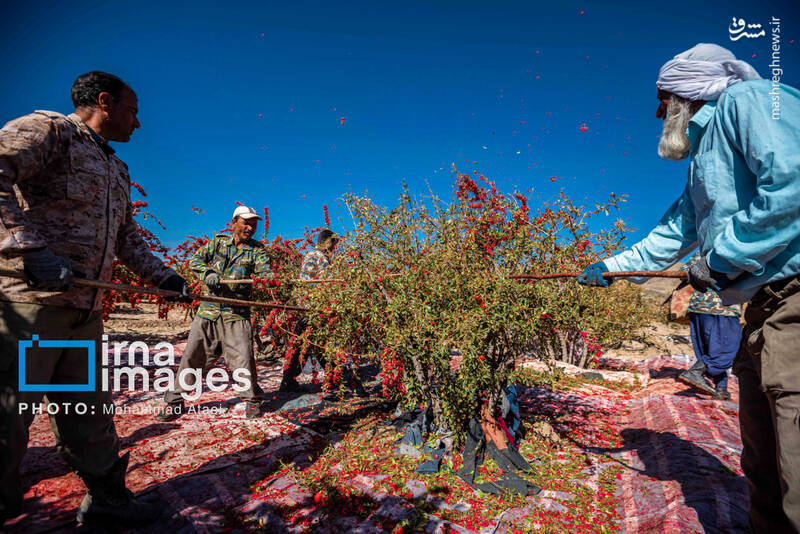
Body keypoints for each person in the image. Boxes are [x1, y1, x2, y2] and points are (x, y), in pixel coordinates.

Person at [577, 44, 800, 532]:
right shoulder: (702, 163)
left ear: (688, 92)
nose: (658, 110)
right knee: (763, 463)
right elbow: (669, 238)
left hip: (795, 301)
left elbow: (793, 185)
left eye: (663, 97)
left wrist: (719, 260)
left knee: (796, 466)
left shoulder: (752, 100)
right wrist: (608, 268)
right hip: (761, 311)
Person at [0, 71, 189, 527]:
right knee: (8, 416)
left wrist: (163, 276)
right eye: (133, 110)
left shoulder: (115, 168)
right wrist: (28, 249)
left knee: (89, 413)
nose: (138, 123)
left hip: (83, 313)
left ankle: (107, 502)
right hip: (32, 307)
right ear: (104, 101)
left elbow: (126, 237)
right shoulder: (50, 131)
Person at [158, 206, 269, 421]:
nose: (250, 227)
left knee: (244, 360)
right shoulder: (218, 242)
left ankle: (252, 400)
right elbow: (195, 261)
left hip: (236, 314)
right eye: (246, 223)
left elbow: (265, 272)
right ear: (234, 222)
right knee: (192, 358)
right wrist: (208, 272)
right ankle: (175, 402)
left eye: (254, 224)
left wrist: (268, 279)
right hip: (208, 313)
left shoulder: (257, 250)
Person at [278, 228, 337, 392]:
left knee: (303, 343)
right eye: (334, 242)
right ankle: (332, 378)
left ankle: (288, 379)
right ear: (327, 242)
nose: (335, 246)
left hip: (307, 306)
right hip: (315, 307)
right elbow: (328, 281)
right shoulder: (320, 257)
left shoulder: (310, 255)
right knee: (321, 343)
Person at [677, 254, 742, 400]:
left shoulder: (702, 253)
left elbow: (684, 271)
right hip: (723, 307)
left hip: (698, 307)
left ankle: (721, 388)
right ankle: (695, 372)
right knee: (727, 349)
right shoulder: (733, 251)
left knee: (709, 349)